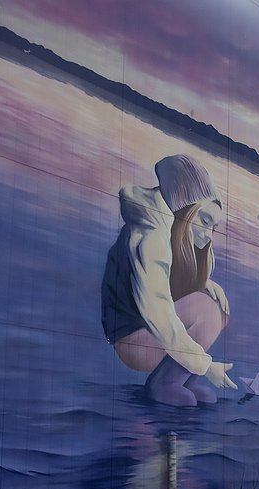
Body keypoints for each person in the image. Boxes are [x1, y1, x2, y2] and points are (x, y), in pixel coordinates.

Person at [101, 154, 237, 406]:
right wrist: (205, 366)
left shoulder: (175, 235)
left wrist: (207, 284)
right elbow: (158, 312)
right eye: (204, 221)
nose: (209, 235)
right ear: (184, 210)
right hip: (132, 339)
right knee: (206, 310)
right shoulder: (150, 236)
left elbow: (170, 279)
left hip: (149, 334)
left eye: (214, 227)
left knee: (219, 308)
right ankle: (164, 384)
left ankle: (182, 380)